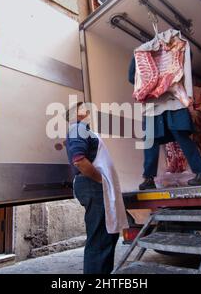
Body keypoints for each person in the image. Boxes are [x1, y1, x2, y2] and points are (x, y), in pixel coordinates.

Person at [128, 58, 201, 190]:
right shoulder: (142, 55)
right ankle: (149, 178)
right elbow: (133, 78)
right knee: (155, 140)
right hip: (159, 103)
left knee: (173, 137)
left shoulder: (168, 49)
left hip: (169, 102)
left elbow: (132, 78)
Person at [65, 102, 128, 274]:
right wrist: (101, 180)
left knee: (106, 237)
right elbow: (79, 160)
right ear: (76, 115)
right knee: (100, 240)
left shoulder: (84, 130)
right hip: (92, 186)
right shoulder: (77, 129)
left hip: (93, 186)